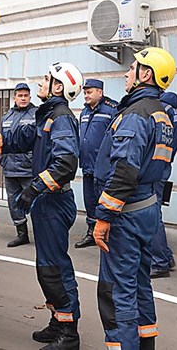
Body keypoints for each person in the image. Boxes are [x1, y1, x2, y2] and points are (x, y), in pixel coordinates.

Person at [0, 62, 83, 350]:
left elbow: (66, 164)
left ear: (58, 87)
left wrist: (33, 189)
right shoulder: (47, 115)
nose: (41, 82)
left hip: (54, 201)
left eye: (47, 79)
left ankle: (68, 334)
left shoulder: (61, 117)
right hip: (46, 201)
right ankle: (58, 320)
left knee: (54, 269)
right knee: (46, 268)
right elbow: (21, 139)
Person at [93, 47, 177, 350]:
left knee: (119, 290)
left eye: (133, 68)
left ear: (146, 74)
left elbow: (125, 169)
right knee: (141, 282)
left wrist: (104, 217)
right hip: (146, 209)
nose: (127, 73)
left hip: (126, 213)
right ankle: (145, 344)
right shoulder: (162, 115)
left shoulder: (136, 114)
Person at [75, 79, 117, 249]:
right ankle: (92, 232)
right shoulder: (84, 112)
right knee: (90, 201)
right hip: (87, 165)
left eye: (89, 92)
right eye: (85, 92)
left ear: (100, 92)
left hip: (104, 168)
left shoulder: (111, 110)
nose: (86, 95)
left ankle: (109, 236)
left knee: (104, 202)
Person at [0, 83, 38, 247]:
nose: (23, 98)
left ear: (30, 97)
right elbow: (2, 140)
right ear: (14, 98)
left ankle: (42, 235)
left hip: (28, 169)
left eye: (26, 96)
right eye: (20, 96)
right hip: (10, 169)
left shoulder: (36, 114)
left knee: (36, 204)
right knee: (14, 204)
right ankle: (21, 234)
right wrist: (3, 160)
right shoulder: (6, 117)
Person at [149, 91, 177, 278]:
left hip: (157, 169)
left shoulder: (161, 109)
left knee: (153, 214)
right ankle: (166, 257)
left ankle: (160, 262)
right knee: (155, 212)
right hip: (164, 166)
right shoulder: (172, 110)